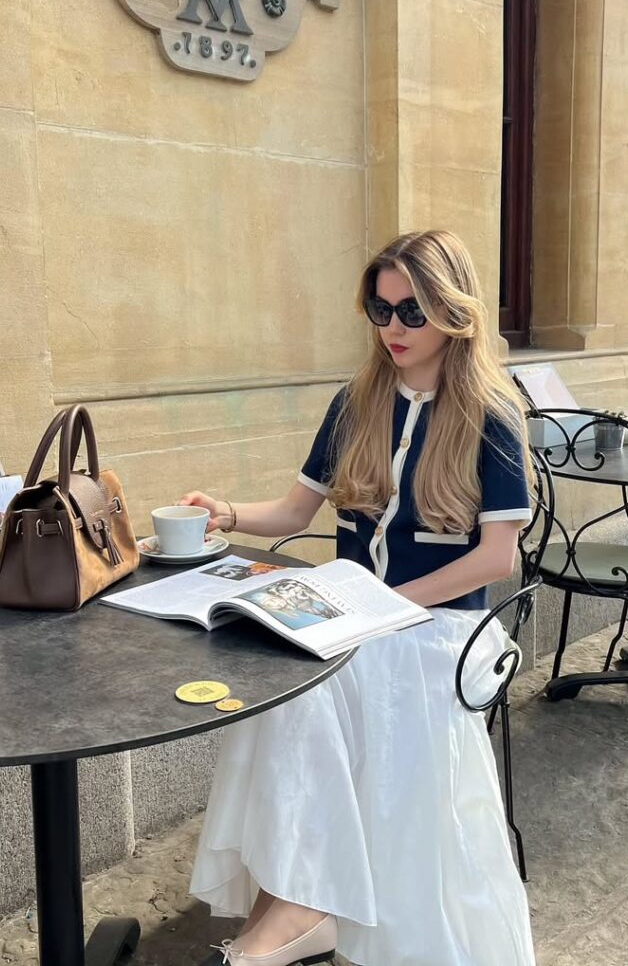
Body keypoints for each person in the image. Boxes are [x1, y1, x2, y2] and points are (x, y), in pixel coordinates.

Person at [178, 230, 536, 966]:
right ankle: (296, 906)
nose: (394, 328)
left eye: (413, 311)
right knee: (286, 683)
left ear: (453, 311)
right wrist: (229, 515)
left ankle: (298, 912)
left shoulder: (490, 415)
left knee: (332, 683)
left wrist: (389, 607)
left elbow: (498, 558)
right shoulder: (357, 401)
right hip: (353, 617)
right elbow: (293, 514)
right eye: (380, 309)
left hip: (442, 627)